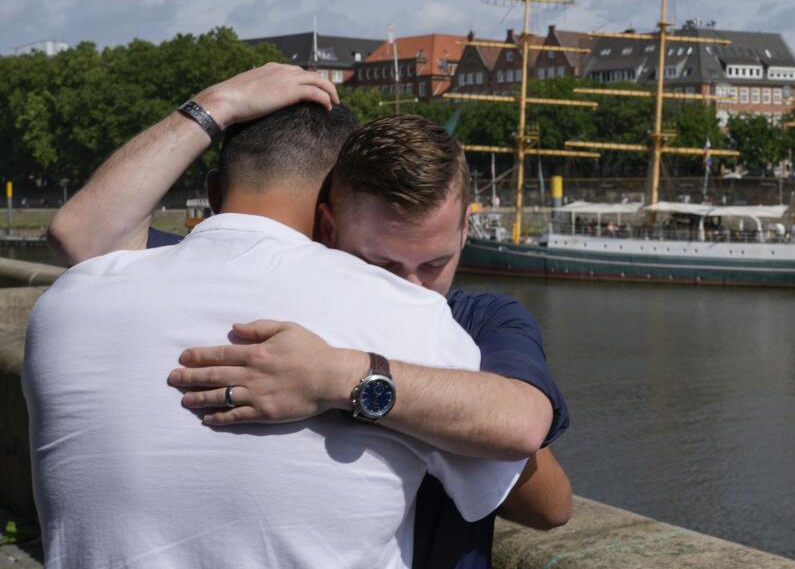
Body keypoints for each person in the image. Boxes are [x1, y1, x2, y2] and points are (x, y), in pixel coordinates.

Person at [47, 64, 571, 568]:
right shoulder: (404, 320)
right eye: (382, 263)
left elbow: (530, 447)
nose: (410, 287)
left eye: (435, 263)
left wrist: (338, 378)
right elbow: (83, 234)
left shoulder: (475, 317)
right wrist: (217, 105)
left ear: (464, 236)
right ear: (327, 223)